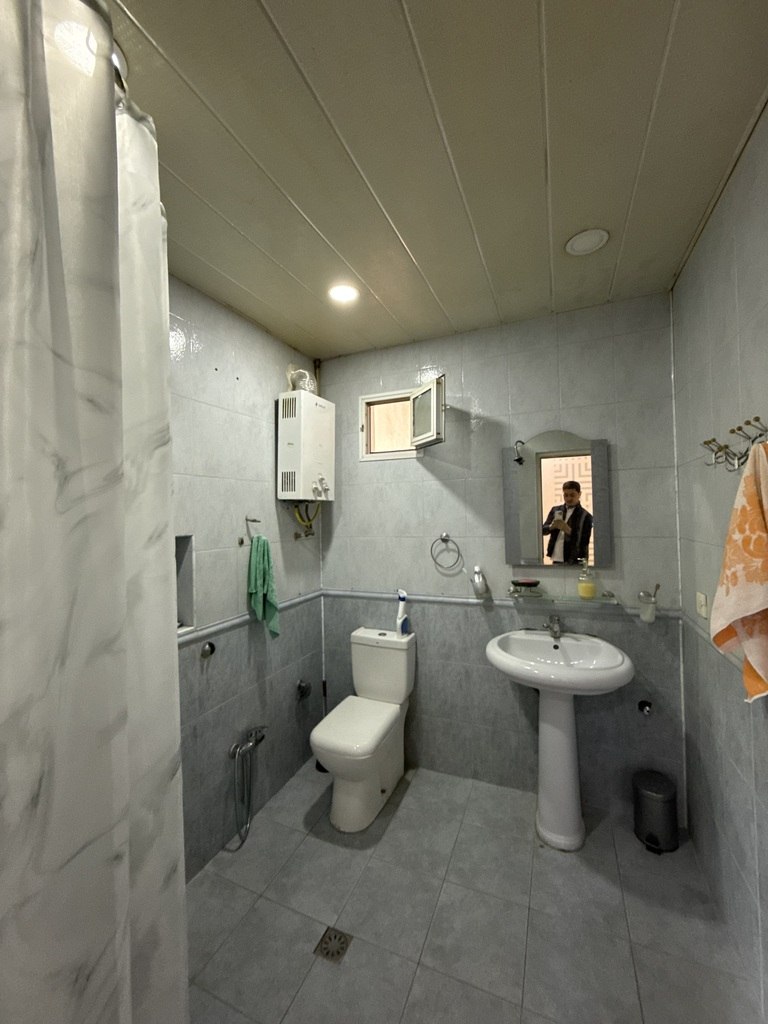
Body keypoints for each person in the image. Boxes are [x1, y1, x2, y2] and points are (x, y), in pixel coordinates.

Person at [542, 481, 593, 564]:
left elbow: (584, 541)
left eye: (572, 495)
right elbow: (542, 531)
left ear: (579, 494)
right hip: (556, 557)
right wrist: (551, 527)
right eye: (566, 495)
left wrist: (568, 530)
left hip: (575, 559)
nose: (569, 498)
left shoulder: (586, 516)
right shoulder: (555, 510)